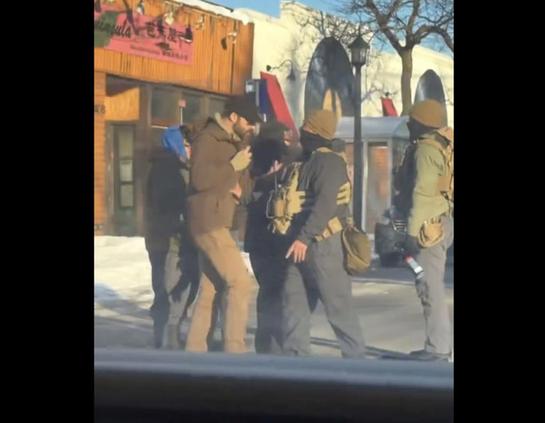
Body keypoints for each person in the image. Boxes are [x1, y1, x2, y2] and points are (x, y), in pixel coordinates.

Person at [278, 110, 366, 358]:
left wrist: (304, 238)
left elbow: (325, 205)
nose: (302, 132)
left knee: (338, 307)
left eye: (306, 128)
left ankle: (357, 362)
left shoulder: (330, 163)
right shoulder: (304, 161)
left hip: (323, 244)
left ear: (316, 131)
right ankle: (296, 361)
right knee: (294, 305)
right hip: (298, 243)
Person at [185, 96, 261, 353]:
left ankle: (195, 350)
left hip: (219, 219)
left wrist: (240, 183)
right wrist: (232, 167)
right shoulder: (208, 139)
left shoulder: (233, 142)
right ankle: (234, 351)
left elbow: (236, 183)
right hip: (208, 221)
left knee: (211, 288)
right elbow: (199, 179)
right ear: (234, 117)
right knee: (240, 281)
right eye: (249, 121)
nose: (251, 127)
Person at [398, 99, 454, 362]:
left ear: (421, 123)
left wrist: (411, 233)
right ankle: (437, 345)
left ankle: (437, 348)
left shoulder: (425, 150)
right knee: (429, 284)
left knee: (429, 286)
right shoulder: (441, 146)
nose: (409, 125)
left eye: (412, 121)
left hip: (427, 228)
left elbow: (422, 192)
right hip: (439, 222)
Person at [243, 121, 301, 354]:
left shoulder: (251, 164)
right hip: (274, 240)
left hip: (256, 242)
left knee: (268, 292)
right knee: (276, 293)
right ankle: (273, 345)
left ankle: (266, 344)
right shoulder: (281, 167)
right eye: (285, 139)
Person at [144, 125, 199, 349]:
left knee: (168, 287)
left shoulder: (168, 164)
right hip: (168, 239)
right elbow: (167, 203)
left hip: (162, 237)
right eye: (187, 145)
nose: (190, 149)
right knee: (169, 288)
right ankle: (167, 340)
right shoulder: (167, 167)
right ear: (176, 144)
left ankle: (166, 337)